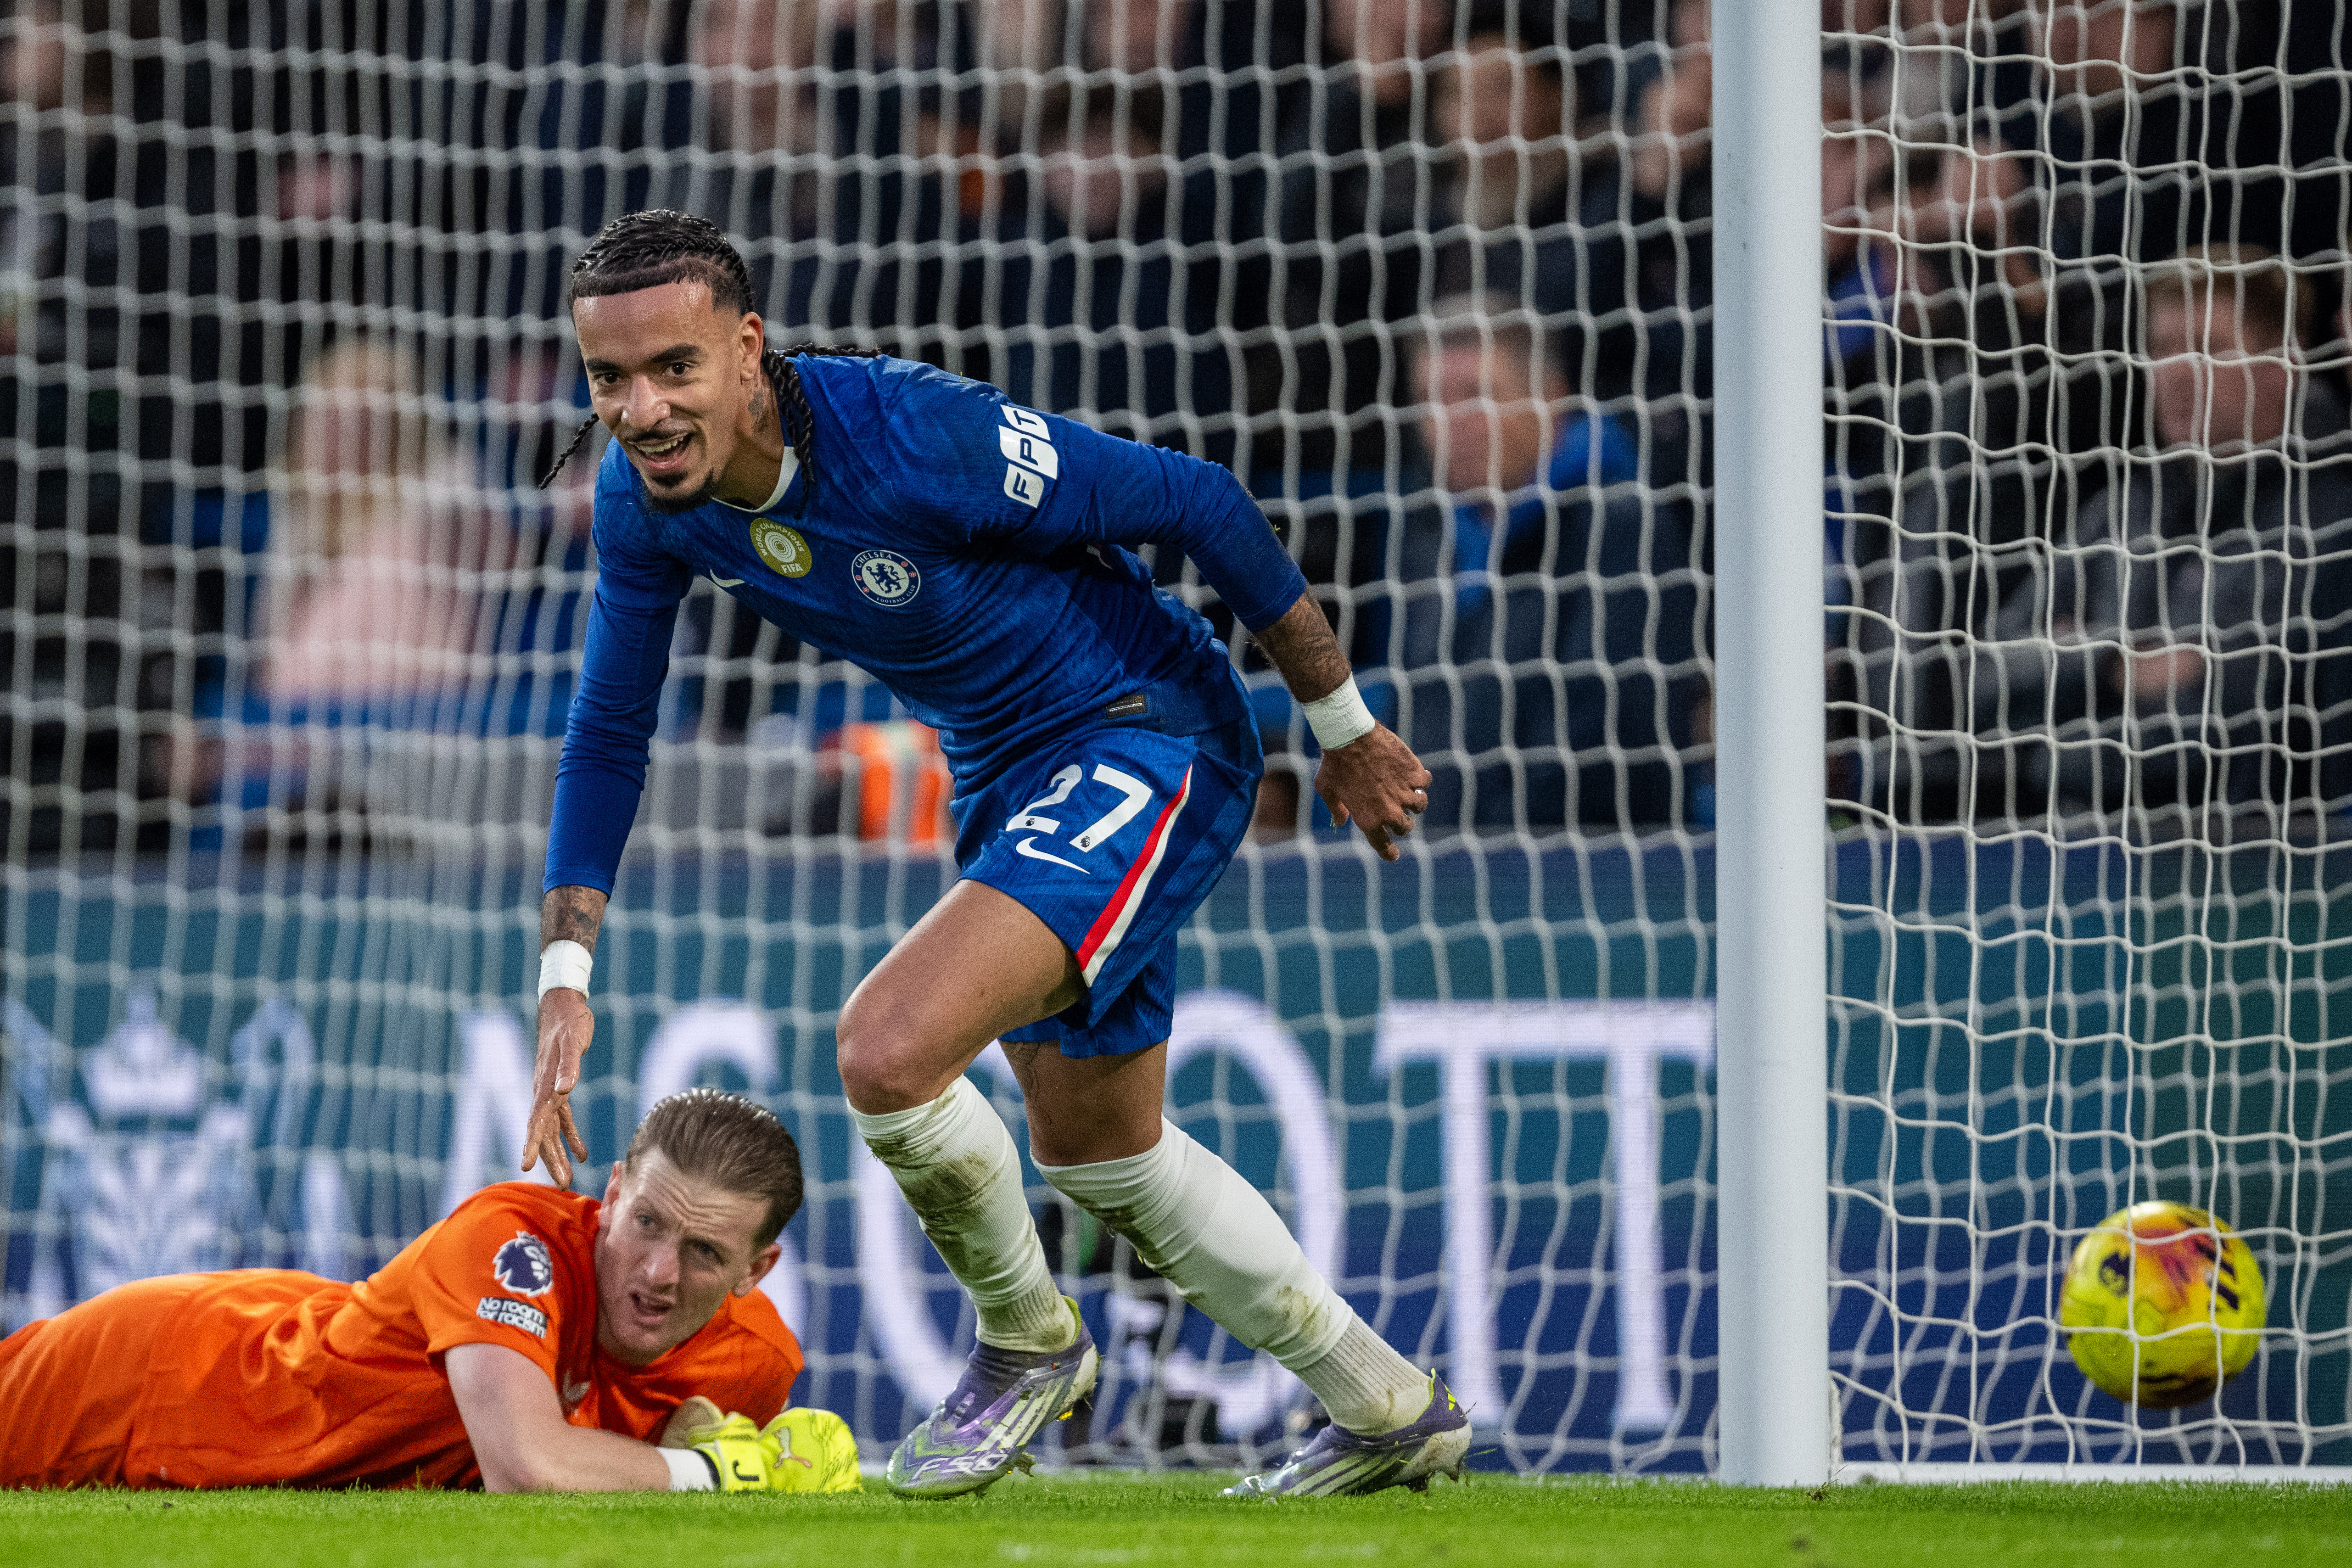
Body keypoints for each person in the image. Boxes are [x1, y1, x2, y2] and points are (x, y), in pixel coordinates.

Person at [522, 209, 1464, 1501]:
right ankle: (1388, 1408)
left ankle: (1028, 1343)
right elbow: (609, 726)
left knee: (887, 1048)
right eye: (609, 380)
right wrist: (566, 967)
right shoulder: (646, 506)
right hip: (1010, 770)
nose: (639, 411)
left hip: (1147, 727)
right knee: (1103, 1157)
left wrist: (1343, 731)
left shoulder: (916, 439)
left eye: (671, 369)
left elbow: (1197, 499)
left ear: (746, 352)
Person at [0, 1088, 857, 1494]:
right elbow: (527, 1469)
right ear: (614, 1194)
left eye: (705, 1251)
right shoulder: (511, 1243)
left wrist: (696, 1457)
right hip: (158, 1374)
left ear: (757, 1271)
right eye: (646, 1225)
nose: (659, 1273)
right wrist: (717, 1473)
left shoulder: (753, 1364)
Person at [1975, 244, 2352, 833]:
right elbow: (1986, 670)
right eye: (2162, 348)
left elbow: (2231, 724)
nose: (2175, 372)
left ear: (2283, 362)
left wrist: (2063, 720)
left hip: (2253, 867)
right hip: (2082, 860)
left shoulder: (2328, 519)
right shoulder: (2124, 509)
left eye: (2207, 349)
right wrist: (2114, 661)